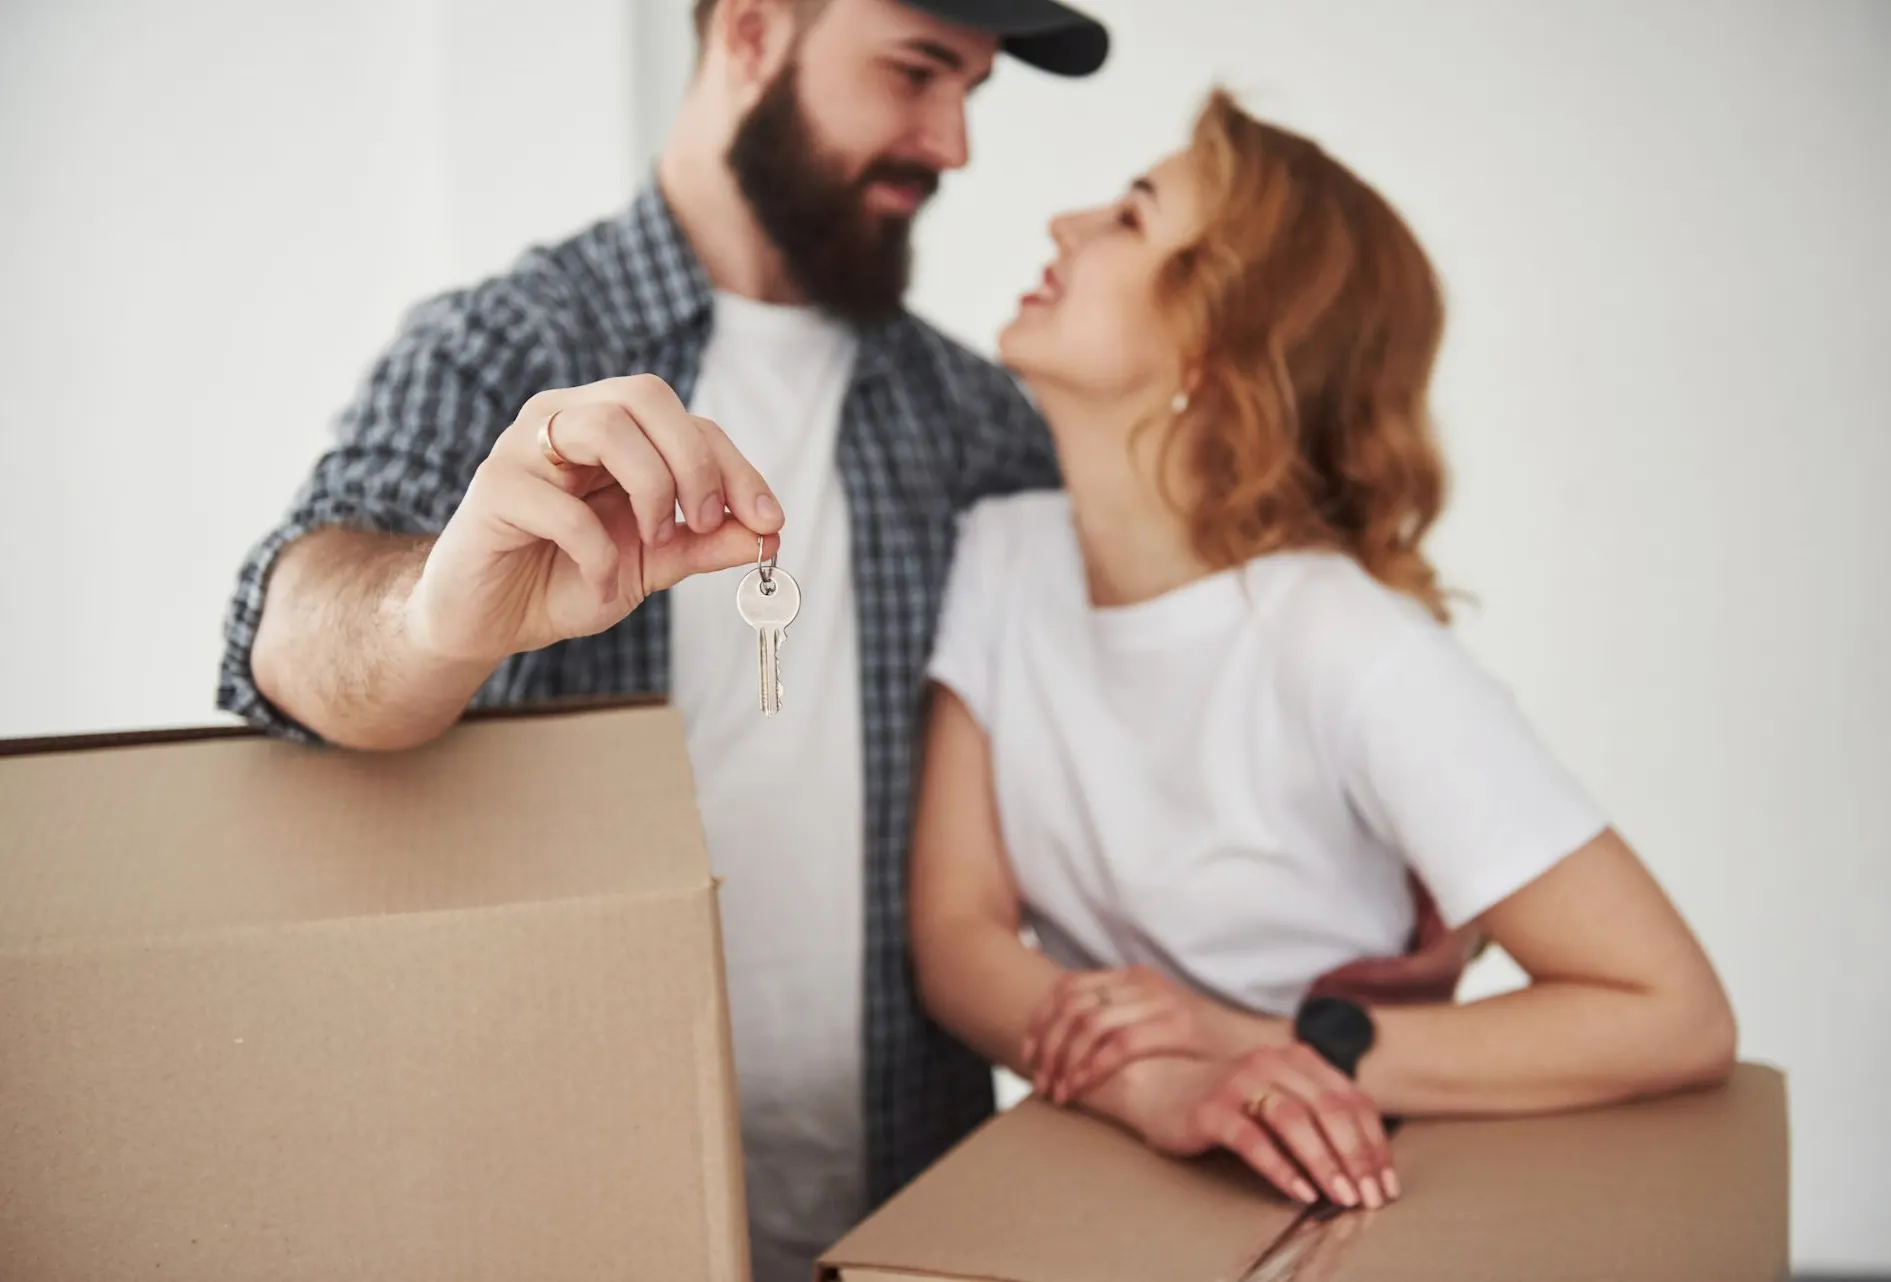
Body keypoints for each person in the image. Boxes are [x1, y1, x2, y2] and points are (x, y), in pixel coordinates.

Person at [217, 1, 1466, 1276]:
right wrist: (433, 612)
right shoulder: (503, 351)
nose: (955, 143)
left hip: (914, 1197)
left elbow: (1181, 679)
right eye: (917, 72)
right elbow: (295, 627)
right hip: (566, 1192)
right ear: (754, 31)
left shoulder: (982, 420)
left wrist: (1392, 877)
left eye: (972, 89)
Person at [908, 88, 1738, 1216]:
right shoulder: (1002, 555)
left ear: (1215, 339)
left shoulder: (1346, 644)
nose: (1064, 224)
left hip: (1348, 1189)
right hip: (1125, 1164)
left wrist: (1244, 1040)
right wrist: (1164, 1084)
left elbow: (1674, 1009)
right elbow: (957, 933)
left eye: (1131, 218)